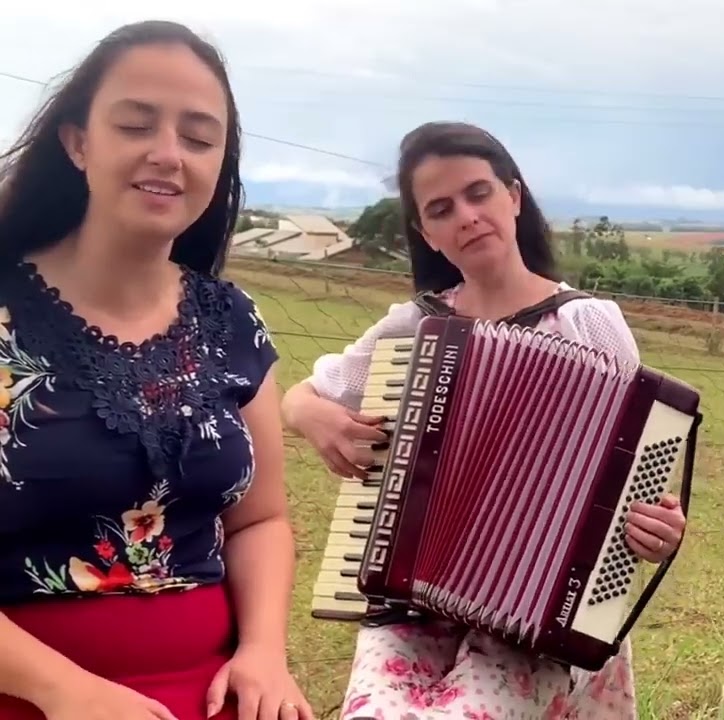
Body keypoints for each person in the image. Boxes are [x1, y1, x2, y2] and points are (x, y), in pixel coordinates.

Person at [281, 120, 687, 719]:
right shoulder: (413, 328)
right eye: (441, 208)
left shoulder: (589, 324)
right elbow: (298, 396)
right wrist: (318, 418)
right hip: (411, 605)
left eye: (479, 193)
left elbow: (637, 492)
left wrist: (658, 526)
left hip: (544, 622)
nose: (467, 216)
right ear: (427, 233)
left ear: (514, 196)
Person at [0, 20, 313, 720]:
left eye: (199, 138)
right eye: (137, 125)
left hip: (213, 688)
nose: (169, 154)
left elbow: (260, 519)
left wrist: (263, 651)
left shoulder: (231, 320)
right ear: (78, 142)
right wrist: (65, 692)